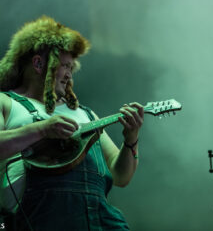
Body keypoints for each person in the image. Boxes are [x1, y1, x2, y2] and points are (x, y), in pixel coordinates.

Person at [0, 16, 144, 230]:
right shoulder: (6, 102)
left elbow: (121, 176)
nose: (69, 74)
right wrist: (42, 129)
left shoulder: (87, 115)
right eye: (65, 66)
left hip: (97, 222)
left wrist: (131, 138)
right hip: (38, 221)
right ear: (38, 63)